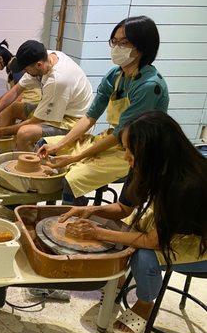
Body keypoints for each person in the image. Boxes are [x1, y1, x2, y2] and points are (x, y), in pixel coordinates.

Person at [60, 111, 206, 333]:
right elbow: (124, 208)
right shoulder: (145, 164)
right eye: (126, 148)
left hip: (200, 239)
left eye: (130, 150)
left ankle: (145, 304)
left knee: (143, 256)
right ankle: (116, 284)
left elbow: (153, 242)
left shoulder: (188, 183)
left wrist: (98, 233)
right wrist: (90, 209)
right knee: (111, 226)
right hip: (171, 223)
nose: (126, 156)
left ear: (154, 153)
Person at [38, 16, 169, 205]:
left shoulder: (148, 86)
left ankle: (70, 223)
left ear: (143, 47)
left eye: (124, 43)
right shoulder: (115, 75)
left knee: (72, 178)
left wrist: (75, 157)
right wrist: (59, 146)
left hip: (135, 151)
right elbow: (90, 117)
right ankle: (47, 213)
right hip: (113, 140)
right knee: (45, 145)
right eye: (114, 42)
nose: (116, 48)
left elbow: (120, 134)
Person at [0, 40, 93, 151]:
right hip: (61, 109)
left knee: (24, 133)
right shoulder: (45, 57)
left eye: (25, 69)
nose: (25, 72)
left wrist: (1, 132)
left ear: (39, 65)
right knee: (12, 108)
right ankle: (1, 150)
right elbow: (16, 90)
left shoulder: (57, 80)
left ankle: (25, 164)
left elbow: (36, 121)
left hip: (74, 122)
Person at [0, 39, 41, 121]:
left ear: (0, 59)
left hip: (33, 102)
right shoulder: (13, 63)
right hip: (30, 100)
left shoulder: (15, 66)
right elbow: (13, 91)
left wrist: (6, 108)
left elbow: (21, 92)